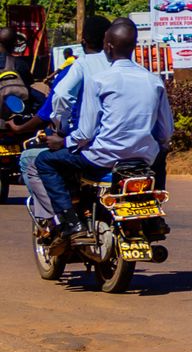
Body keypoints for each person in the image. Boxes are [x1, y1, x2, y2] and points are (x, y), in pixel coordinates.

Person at [37, 19, 174, 251]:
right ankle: (154, 218)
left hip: (101, 159)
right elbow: (165, 132)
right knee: (161, 155)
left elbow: (85, 133)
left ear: (107, 46)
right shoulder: (153, 80)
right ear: (133, 47)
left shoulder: (99, 80)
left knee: (45, 162)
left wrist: (63, 141)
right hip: (143, 161)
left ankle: (72, 223)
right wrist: (157, 147)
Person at [0, 16, 107, 225]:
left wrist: (59, 130)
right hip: (138, 155)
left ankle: (59, 220)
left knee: (33, 160)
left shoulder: (78, 67)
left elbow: (56, 104)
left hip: (90, 149)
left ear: (84, 40)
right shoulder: (140, 73)